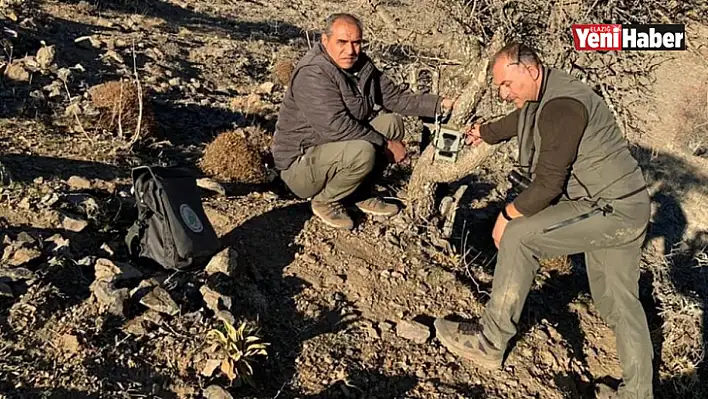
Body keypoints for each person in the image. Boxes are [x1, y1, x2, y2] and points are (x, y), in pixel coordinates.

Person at [434, 43, 653, 399]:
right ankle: (638, 393)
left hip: (608, 208)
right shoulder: (551, 90)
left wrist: (507, 214)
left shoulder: (563, 107)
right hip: (630, 207)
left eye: (507, 84)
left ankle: (490, 341)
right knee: (619, 302)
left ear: (531, 71)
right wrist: (484, 132)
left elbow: (549, 185)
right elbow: (522, 119)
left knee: (520, 236)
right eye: (500, 87)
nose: (504, 94)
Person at [272, 13, 454, 230]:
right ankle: (326, 200)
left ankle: (357, 193)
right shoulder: (313, 73)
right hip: (300, 165)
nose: (350, 51)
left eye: (356, 43)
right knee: (363, 150)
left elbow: (395, 98)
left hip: (332, 151)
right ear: (325, 40)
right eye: (342, 42)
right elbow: (336, 127)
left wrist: (440, 104)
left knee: (392, 124)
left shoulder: (361, 65)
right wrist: (386, 144)